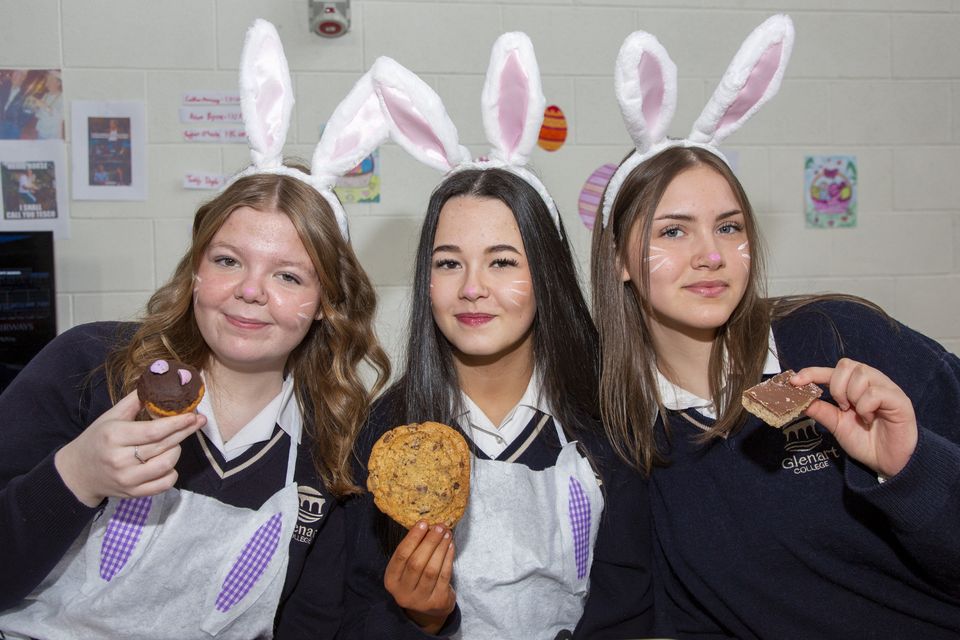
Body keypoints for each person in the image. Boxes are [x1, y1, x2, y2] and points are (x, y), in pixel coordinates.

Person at [0, 20, 390, 639]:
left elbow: (315, 620)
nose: (250, 292)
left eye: (289, 276)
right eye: (228, 260)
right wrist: (76, 477)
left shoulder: (334, 445)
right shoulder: (89, 367)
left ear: (325, 303)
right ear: (197, 270)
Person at [592, 16, 960, 638]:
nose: (710, 253)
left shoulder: (840, 343)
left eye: (729, 227)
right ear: (619, 262)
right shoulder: (622, 429)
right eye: (673, 230)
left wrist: (911, 470)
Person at [340, 35, 654, 639]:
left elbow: (633, 605)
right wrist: (420, 619)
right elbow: (351, 615)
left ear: (548, 275)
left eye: (504, 262)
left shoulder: (610, 423)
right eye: (449, 262)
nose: (472, 288)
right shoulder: (386, 433)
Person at [25, 69, 64, 140]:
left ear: (58, 83)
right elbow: (39, 114)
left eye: (50, 80)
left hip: (53, 135)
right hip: (41, 132)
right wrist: (33, 107)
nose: (47, 83)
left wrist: (42, 105)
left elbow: (60, 116)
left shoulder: (62, 97)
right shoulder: (46, 95)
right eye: (47, 79)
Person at [0, 69, 32, 139]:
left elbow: (25, 117)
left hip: (11, 128)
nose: (14, 75)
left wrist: (15, 125)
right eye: (14, 72)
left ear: (23, 77)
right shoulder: (4, 86)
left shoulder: (25, 96)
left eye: (18, 73)